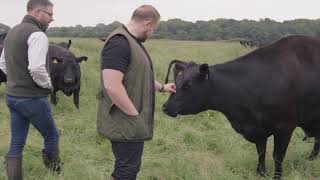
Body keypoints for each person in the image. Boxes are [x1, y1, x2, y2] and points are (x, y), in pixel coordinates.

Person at [96, 5, 176, 180]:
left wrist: (162, 87)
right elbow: (112, 85)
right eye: (153, 29)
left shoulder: (131, 42)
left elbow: (137, 76)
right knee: (126, 171)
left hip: (129, 121)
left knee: (128, 167)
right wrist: (134, 116)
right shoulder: (120, 43)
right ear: (147, 23)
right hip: (124, 121)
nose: (152, 33)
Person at [0, 0, 61, 179]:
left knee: (17, 141)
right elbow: (36, 68)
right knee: (52, 136)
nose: (52, 19)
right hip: (32, 98)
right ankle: (55, 173)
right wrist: (49, 85)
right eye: (49, 14)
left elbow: (2, 64)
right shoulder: (37, 35)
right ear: (36, 12)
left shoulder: (11, 33)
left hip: (12, 96)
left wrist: (16, 80)